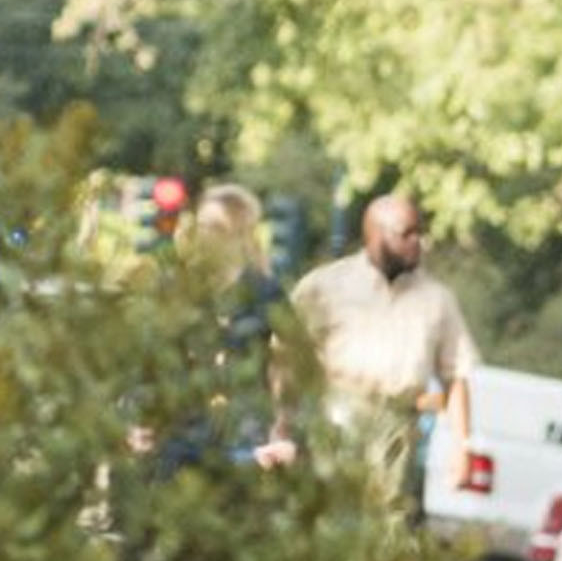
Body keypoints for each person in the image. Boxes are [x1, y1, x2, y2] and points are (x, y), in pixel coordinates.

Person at [288, 193, 480, 518]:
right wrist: (285, 421)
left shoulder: (436, 300)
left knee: (388, 523)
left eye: (419, 233)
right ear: (377, 235)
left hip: (399, 424)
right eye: (406, 234)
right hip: (336, 412)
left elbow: (456, 376)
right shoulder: (326, 286)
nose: (417, 242)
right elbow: (286, 352)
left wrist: (462, 448)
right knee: (326, 512)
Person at [175, 183, 298, 470]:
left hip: (245, 426)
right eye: (200, 226)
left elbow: (291, 362)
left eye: (215, 227)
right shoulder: (184, 290)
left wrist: (282, 425)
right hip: (187, 426)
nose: (204, 235)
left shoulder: (266, 292)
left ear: (239, 233)